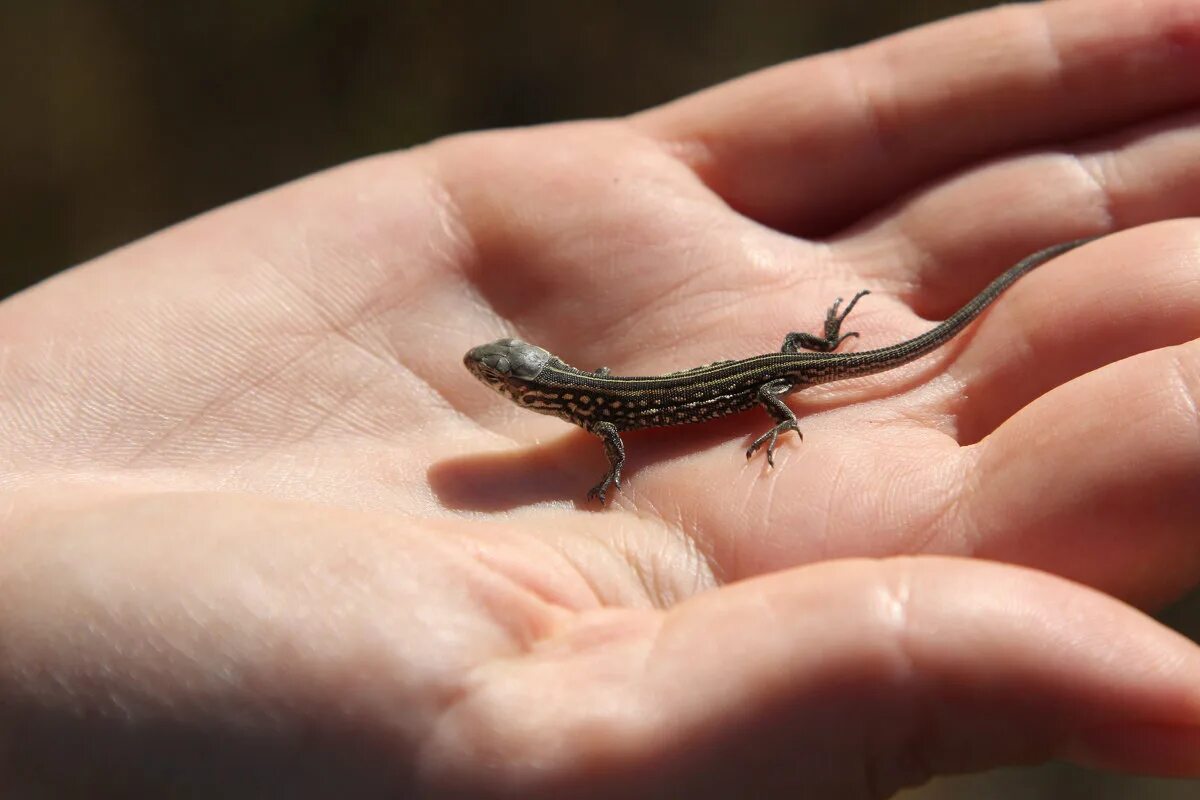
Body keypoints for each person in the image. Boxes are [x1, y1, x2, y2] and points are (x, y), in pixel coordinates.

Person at [3, 1, 1200, 796]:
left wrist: (778, 407)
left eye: (503, 373)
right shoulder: (596, 408)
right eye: (497, 376)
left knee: (819, 366)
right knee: (814, 363)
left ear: (535, 385)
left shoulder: (601, 416)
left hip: (774, 380)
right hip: (766, 374)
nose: (499, 382)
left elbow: (623, 448)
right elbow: (618, 441)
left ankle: (828, 369)